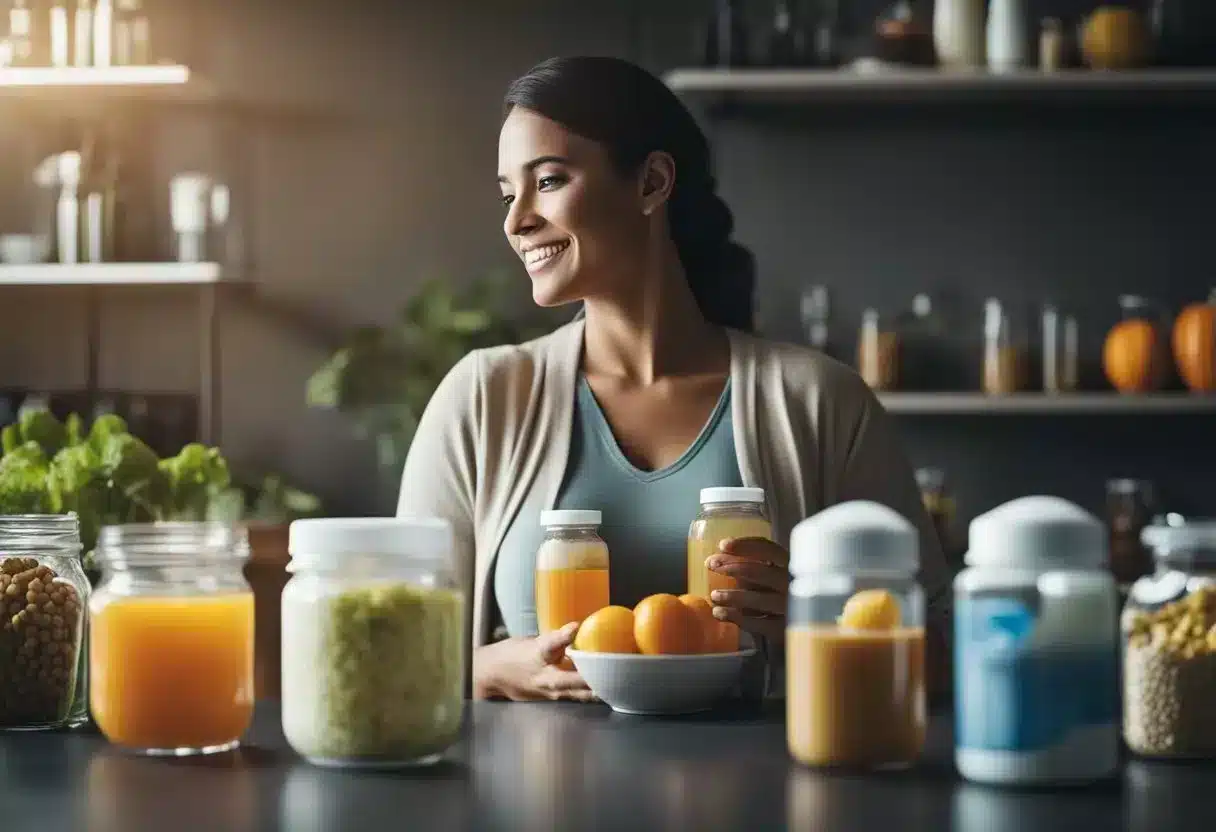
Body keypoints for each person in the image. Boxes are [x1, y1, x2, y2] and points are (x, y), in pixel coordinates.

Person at [397, 55, 952, 703]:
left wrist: (818, 617)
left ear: (652, 182)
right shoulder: (481, 399)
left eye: (547, 181)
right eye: (506, 193)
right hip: (533, 800)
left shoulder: (821, 403)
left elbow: (947, 649)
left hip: (767, 800)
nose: (516, 219)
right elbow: (397, 653)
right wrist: (489, 670)